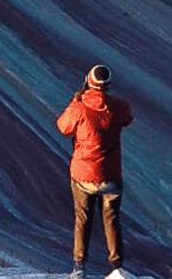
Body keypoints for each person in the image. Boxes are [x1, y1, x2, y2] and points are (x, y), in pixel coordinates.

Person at [57, 65, 133, 279]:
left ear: (87, 81)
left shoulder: (79, 108)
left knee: (83, 218)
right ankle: (117, 265)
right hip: (110, 174)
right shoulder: (118, 107)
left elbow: (63, 127)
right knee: (112, 219)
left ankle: (79, 266)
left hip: (83, 175)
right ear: (108, 85)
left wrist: (76, 101)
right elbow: (128, 118)